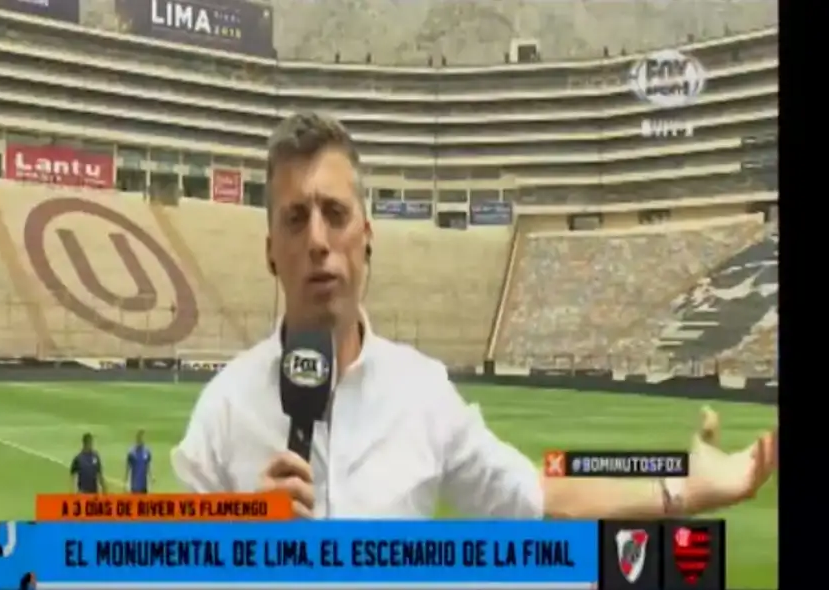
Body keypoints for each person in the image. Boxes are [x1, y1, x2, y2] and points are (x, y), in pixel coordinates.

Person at [171, 112, 778, 519]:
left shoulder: (422, 394)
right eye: (295, 218)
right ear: (270, 248)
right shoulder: (223, 413)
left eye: (335, 212)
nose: (318, 240)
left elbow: (538, 496)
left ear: (368, 234)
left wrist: (685, 488)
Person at [125, 429, 154, 494]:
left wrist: (151, 477)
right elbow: (128, 468)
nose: (141, 440)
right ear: (137, 439)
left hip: (144, 485)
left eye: (142, 438)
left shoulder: (146, 452)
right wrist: (126, 482)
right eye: (140, 438)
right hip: (134, 486)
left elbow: (148, 465)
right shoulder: (132, 453)